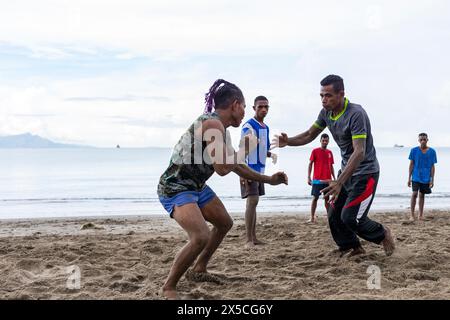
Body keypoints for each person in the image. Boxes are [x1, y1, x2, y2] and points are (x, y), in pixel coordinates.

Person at [157, 79, 288, 299]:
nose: (245, 112)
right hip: (176, 187)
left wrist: (268, 179)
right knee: (200, 236)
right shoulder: (211, 124)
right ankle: (168, 287)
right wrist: (245, 148)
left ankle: (199, 269)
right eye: (245, 107)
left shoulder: (222, 130)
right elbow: (223, 168)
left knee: (224, 223)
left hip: (196, 186)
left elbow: (235, 165)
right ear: (235, 104)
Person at [271, 74, 395, 257]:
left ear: (341, 94)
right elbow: (309, 135)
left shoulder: (356, 114)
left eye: (328, 95)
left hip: (365, 174)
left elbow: (359, 152)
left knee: (352, 218)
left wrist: (339, 182)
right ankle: (352, 247)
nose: (323, 100)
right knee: (334, 214)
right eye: (321, 95)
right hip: (346, 173)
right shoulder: (326, 113)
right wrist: (288, 141)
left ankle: (383, 234)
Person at [240, 95, 277, 247]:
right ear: (254, 108)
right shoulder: (248, 126)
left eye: (266, 107)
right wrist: (243, 173)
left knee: (255, 202)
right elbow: (243, 150)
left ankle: (254, 237)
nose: (263, 109)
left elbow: (263, 149)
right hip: (248, 169)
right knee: (252, 201)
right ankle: (248, 239)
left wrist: (271, 154)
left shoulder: (265, 127)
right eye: (260, 106)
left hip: (260, 170)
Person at [407, 133, 437, 221]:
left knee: (422, 195)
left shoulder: (432, 151)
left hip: (426, 177)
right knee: (414, 194)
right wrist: (409, 178)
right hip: (416, 176)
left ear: (427, 140)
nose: (423, 141)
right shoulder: (414, 150)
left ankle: (420, 215)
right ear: (418, 140)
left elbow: (432, 166)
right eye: (421, 139)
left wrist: (432, 179)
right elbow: (411, 164)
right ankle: (412, 215)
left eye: (424, 139)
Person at [307, 133, 335, 223]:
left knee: (327, 199)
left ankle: (329, 218)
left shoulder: (330, 152)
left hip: (327, 180)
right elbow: (310, 164)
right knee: (315, 198)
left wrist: (334, 178)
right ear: (320, 141)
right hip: (317, 180)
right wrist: (308, 177)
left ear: (328, 141)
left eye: (326, 140)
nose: (324, 142)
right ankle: (312, 217)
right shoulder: (315, 151)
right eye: (323, 140)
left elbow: (331, 166)